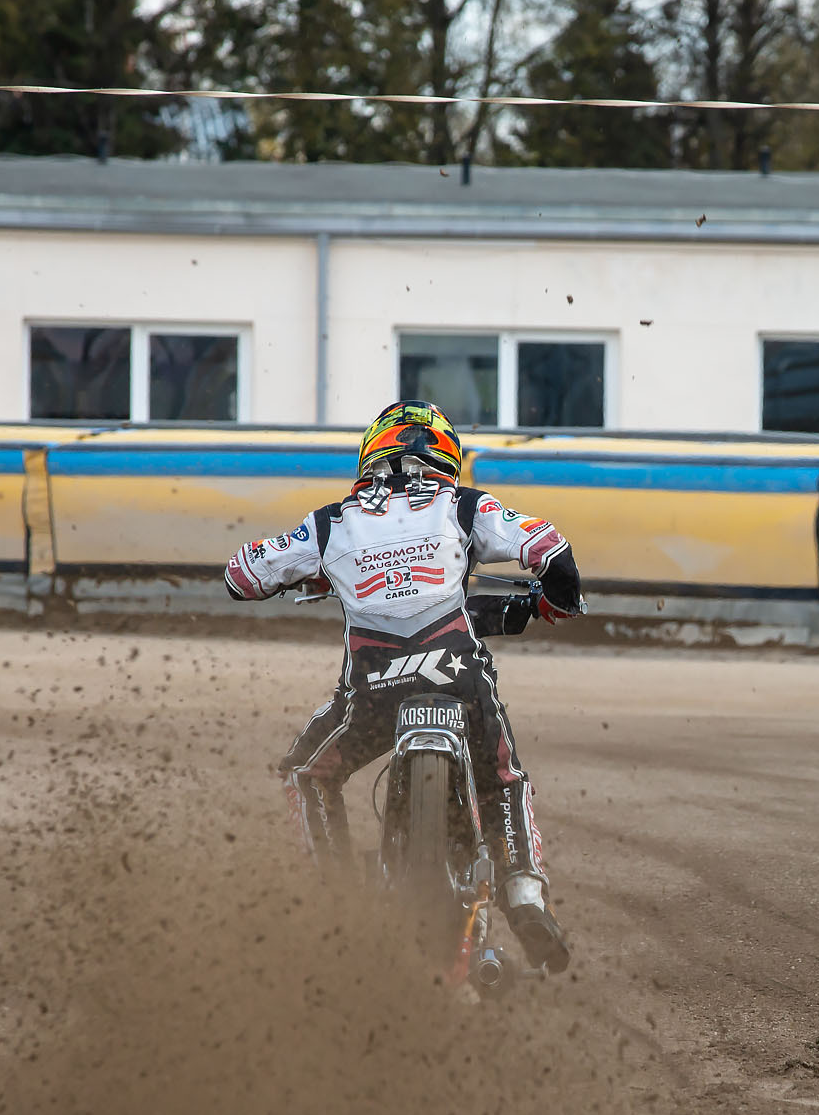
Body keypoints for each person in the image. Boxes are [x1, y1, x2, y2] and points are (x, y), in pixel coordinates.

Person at [221, 401, 582, 970]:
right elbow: (552, 553)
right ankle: (524, 896)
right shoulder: (464, 505)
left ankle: (338, 903)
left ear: (372, 452)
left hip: (373, 693)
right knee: (503, 778)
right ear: (447, 456)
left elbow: (241, 576)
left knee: (306, 773)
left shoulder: (332, 522)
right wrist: (556, 603)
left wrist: (310, 573)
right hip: (458, 677)